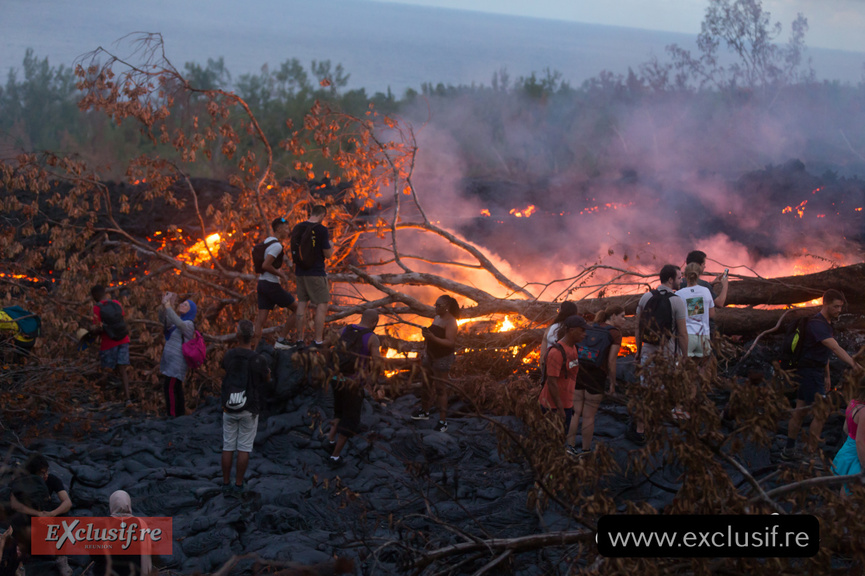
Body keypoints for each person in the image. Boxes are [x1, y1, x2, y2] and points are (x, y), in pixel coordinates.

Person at [781, 289, 863, 465]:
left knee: (801, 410)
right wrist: (854, 364)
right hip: (809, 373)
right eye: (836, 307)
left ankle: (789, 449)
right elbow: (834, 347)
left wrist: (827, 376)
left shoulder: (826, 323)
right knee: (821, 412)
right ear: (825, 304)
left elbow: (823, 351)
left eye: (840, 307)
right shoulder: (816, 324)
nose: (839, 310)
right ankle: (811, 455)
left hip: (814, 372)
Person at [629, 265, 688, 443]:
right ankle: (655, 427)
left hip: (647, 351)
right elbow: (683, 333)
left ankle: (640, 429)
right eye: (679, 277)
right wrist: (684, 356)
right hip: (668, 353)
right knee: (662, 391)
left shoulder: (646, 297)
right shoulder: (677, 301)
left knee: (646, 390)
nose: (681, 280)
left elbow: (638, 327)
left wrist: (638, 351)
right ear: (670, 280)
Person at [566, 305, 624, 456]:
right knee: (589, 415)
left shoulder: (592, 327)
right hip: (596, 375)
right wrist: (612, 382)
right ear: (613, 316)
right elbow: (611, 362)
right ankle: (585, 450)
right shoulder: (615, 333)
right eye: (622, 316)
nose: (624, 320)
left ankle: (569, 447)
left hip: (580, 371)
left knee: (575, 413)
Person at [326, 309, 382, 465]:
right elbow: (377, 363)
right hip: (353, 384)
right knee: (350, 420)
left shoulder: (345, 329)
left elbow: (325, 344)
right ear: (374, 323)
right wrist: (374, 381)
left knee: (339, 411)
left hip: (336, 379)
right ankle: (335, 456)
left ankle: (330, 440)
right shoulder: (372, 338)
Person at [221, 320, 270, 494]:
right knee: (244, 448)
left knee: (228, 446)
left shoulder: (229, 355)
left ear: (237, 335)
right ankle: (239, 484)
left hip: (229, 407)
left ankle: (225, 483)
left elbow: (223, 371)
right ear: (253, 336)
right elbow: (266, 379)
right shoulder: (258, 359)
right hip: (249, 408)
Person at [10, 453, 73, 576]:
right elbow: (14, 505)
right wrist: (37, 514)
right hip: (29, 518)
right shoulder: (21, 481)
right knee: (16, 517)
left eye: (46, 472)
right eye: (42, 473)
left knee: (64, 515)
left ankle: (61, 558)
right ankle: (20, 564)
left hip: (46, 516)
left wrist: (52, 514)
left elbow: (67, 502)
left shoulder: (52, 479)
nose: (45, 475)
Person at [411, 295, 460, 432]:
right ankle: (424, 411)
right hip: (430, 355)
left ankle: (442, 421)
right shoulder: (437, 317)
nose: (435, 307)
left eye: (438, 306)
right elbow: (432, 337)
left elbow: (450, 342)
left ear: (447, 307)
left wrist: (433, 337)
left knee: (440, 388)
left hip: (442, 358)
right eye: (435, 305)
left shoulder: (451, 322)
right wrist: (426, 341)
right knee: (426, 384)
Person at [539, 315, 587, 439]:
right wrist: (560, 409)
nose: (585, 334)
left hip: (566, 404)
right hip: (553, 406)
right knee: (552, 441)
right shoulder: (557, 353)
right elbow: (552, 382)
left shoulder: (573, 348)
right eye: (582, 330)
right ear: (572, 330)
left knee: (562, 439)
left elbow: (571, 374)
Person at [292, 205, 333, 349]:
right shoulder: (321, 229)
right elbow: (327, 254)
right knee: (322, 305)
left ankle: (299, 340)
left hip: (300, 272)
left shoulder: (298, 227)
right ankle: (318, 340)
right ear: (322, 215)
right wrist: (331, 246)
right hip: (315, 272)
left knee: (302, 303)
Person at [254, 217, 298, 348]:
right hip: (271, 285)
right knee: (298, 309)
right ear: (279, 229)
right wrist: (281, 275)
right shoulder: (277, 246)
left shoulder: (268, 241)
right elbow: (266, 265)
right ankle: (281, 340)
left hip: (261, 284)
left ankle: (254, 348)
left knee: (261, 320)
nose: (288, 231)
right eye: (286, 228)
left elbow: (269, 260)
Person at [90, 490, 153, 576]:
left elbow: (94, 554)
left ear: (112, 504)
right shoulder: (141, 524)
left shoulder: (100, 525)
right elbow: (146, 555)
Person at [158, 292, 197, 417]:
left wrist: (169, 306)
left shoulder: (189, 324)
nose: (182, 305)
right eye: (182, 303)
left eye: (185, 305)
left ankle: (172, 414)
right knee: (176, 387)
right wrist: (165, 304)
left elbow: (179, 324)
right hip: (171, 361)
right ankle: (180, 413)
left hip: (177, 362)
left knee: (169, 387)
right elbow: (165, 320)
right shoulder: (178, 320)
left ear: (191, 311)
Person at [91, 285, 131, 403]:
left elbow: (98, 327)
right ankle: (127, 398)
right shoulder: (116, 303)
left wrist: (91, 332)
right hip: (123, 340)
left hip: (109, 343)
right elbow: (122, 319)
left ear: (94, 296)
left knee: (106, 371)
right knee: (122, 370)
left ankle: (101, 399)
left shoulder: (97, 308)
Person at [832, 374, 865, 494]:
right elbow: (860, 441)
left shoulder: (853, 403)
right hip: (858, 455)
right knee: (853, 489)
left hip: (847, 449)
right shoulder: (864, 413)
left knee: (845, 485)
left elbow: (846, 428)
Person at [540, 301, 578, 371]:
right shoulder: (574, 330)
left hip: (550, 368)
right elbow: (574, 355)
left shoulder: (551, 328)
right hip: (565, 371)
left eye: (558, 310)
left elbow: (543, 353)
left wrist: (543, 369)